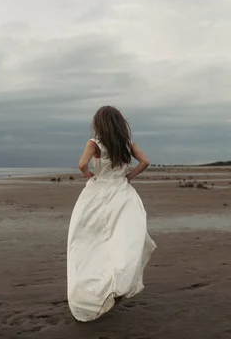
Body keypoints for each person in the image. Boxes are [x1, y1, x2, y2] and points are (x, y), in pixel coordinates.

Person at [67, 105, 157, 322]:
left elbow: (81, 164)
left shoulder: (94, 143)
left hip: (97, 194)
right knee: (121, 240)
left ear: (98, 123)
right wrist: (129, 176)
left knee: (88, 241)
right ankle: (118, 280)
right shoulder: (126, 144)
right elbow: (145, 161)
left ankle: (95, 285)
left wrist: (89, 174)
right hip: (121, 193)